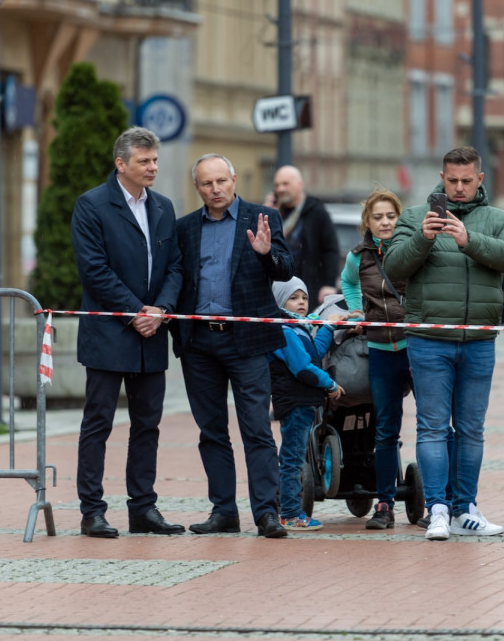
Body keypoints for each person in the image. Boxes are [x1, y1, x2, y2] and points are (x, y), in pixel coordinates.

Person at [383, 146, 504, 541]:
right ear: (442, 179)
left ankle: (466, 509)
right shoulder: (415, 217)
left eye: (466, 181)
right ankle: (438, 509)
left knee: (471, 428)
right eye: (452, 181)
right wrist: (423, 240)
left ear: (480, 179)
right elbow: (393, 267)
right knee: (431, 427)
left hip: (478, 339)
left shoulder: (498, 219)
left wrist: (469, 239)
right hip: (428, 338)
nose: (459, 188)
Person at [70, 126, 185, 538]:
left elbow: (175, 267)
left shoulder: (164, 207)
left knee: (147, 425)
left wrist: (162, 310)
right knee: (98, 422)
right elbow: (94, 270)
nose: (153, 167)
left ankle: (143, 508)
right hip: (110, 333)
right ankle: (92, 511)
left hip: (152, 333)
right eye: (144, 161)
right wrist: (136, 312)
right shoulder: (92, 205)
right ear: (121, 164)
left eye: (155, 160)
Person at [174, 153, 294, 539]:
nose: (216, 189)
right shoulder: (185, 228)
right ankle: (223, 511)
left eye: (221, 181)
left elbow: (286, 269)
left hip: (247, 341)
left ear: (234, 179)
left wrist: (266, 254)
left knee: (257, 428)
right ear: (198, 188)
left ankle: (266, 513)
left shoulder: (262, 218)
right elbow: (178, 279)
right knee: (211, 431)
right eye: (207, 184)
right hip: (200, 342)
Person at [339, 188, 413, 530]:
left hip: (416, 347)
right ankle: (385, 503)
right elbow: (348, 282)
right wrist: (357, 311)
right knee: (385, 429)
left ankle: (441, 504)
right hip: (381, 351)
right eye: (377, 217)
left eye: (390, 216)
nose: (384, 222)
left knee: (433, 425)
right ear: (367, 222)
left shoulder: (411, 249)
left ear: (399, 218)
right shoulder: (359, 256)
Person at [269, 278, 341, 531]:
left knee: (293, 456)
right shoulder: (285, 330)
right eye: (293, 298)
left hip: (302, 401)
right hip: (295, 401)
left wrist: (329, 328)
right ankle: (289, 513)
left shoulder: (298, 327)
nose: (301, 303)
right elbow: (302, 368)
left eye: (304, 297)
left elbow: (315, 353)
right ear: (280, 302)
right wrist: (329, 384)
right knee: (293, 458)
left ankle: (283, 506)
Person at [269, 165, 340, 311]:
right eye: (277, 185)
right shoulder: (274, 212)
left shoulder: (316, 212)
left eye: (285, 184)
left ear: (300, 185)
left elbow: (330, 250)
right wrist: (267, 212)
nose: (280, 189)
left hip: (308, 287)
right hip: (278, 288)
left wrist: (329, 283)